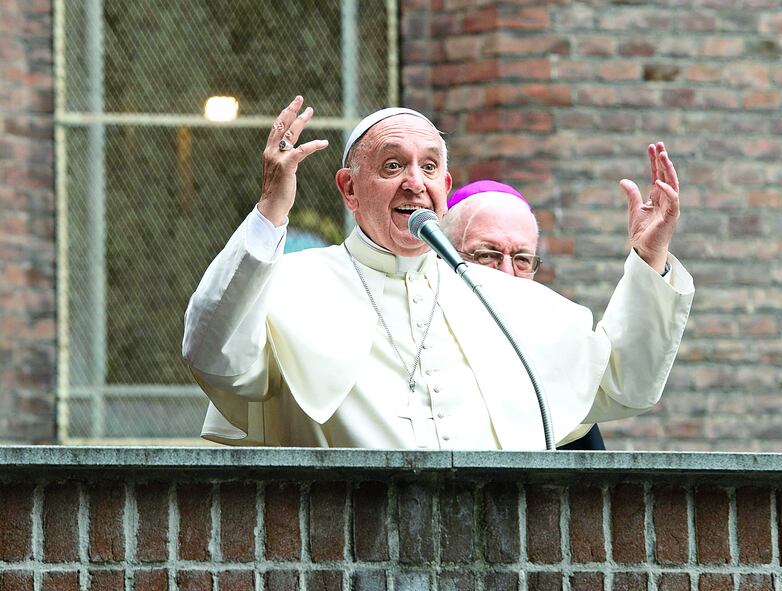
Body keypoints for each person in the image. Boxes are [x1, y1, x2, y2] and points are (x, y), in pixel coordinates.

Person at [182, 97, 694, 450]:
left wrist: (650, 257)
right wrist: (272, 209)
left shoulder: (500, 297)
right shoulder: (294, 286)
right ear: (349, 189)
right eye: (391, 167)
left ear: (445, 186)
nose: (414, 183)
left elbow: (626, 382)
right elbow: (214, 356)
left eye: (428, 168)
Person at [441, 179, 606, 450]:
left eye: (521, 260)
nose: (506, 273)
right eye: (486, 255)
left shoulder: (553, 356)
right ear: (442, 256)